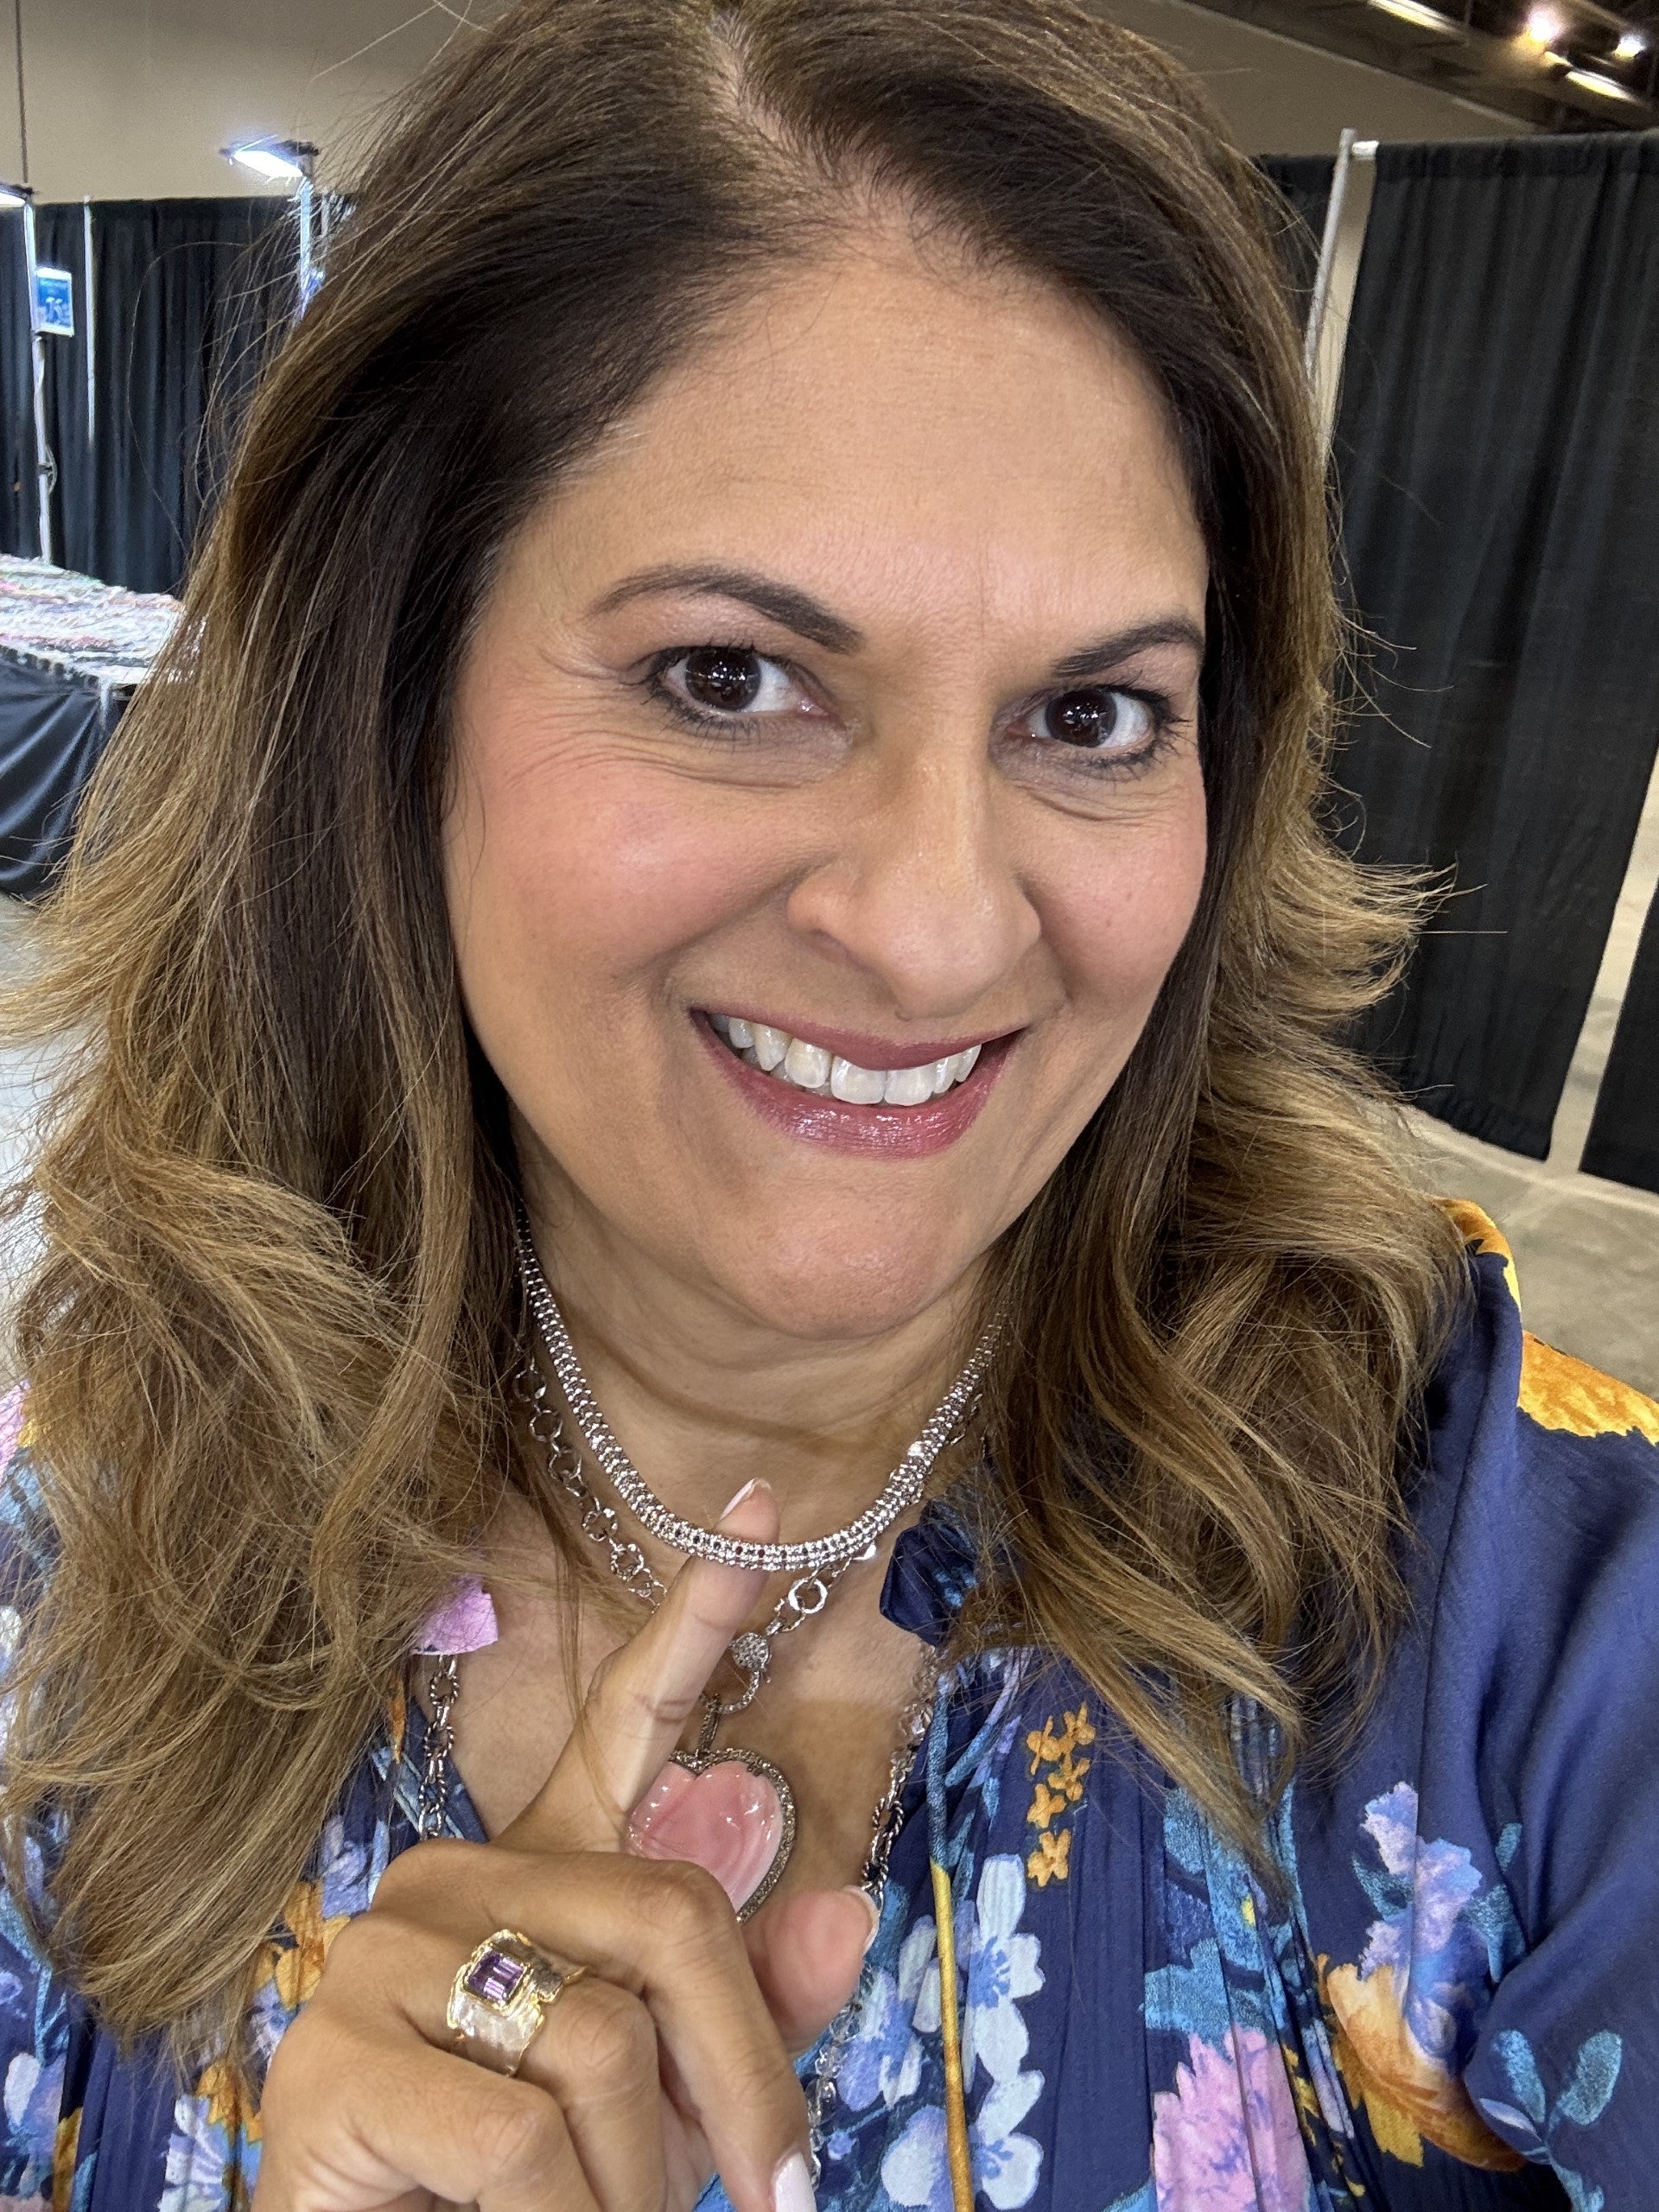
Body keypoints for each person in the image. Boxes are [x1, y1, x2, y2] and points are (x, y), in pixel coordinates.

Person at [0, 1, 1653, 2207]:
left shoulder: (1497, 1585)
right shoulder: (72, 1566)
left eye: (1093, 713)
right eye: (732, 677)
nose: (942, 932)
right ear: (385, 706)